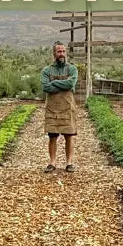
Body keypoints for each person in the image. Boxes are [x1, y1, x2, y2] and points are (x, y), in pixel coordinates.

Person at [41, 41, 78, 172]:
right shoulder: (47, 70)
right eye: (59, 51)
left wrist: (55, 82)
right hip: (53, 108)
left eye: (63, 51)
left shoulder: (72, 69)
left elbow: (71, 83)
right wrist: (64, 84)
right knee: (53, 136)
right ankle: (52, 163)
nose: (61, 54)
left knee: (69, 136)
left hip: (67, 107)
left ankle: (69, 163)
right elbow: (46, 87)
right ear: (54, 53)